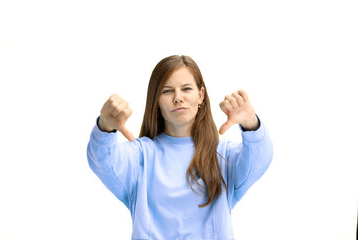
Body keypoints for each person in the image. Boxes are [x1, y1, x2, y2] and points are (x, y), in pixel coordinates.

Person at [87, 55, 273, 239]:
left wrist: (250, 122)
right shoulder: (140, 156)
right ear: (156, 101)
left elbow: (260, 158)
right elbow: (103, 160)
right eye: (167, 91)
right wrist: (105, 126)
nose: (178, 98)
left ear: (200, 96)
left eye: (186, 89)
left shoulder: (223, 156)